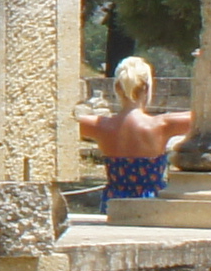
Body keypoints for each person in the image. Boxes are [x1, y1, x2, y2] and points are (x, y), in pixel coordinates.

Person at [79, 56, 193, 204]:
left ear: (117, 87)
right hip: (151, 203)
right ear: (146, 88)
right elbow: (208, 115)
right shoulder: (162, 125)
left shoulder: (98, 126)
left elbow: (60, 119)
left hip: (114, 201)